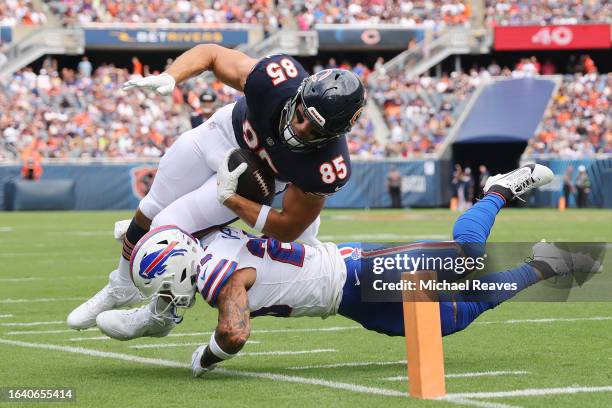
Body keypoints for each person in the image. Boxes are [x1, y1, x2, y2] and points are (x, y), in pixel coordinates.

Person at [95, 164, 596, 378]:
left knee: (466, 255)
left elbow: (234, 333)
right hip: (346, 302)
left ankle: (498, 190)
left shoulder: (217, 276)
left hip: (358, 270)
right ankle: (544, 264)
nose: (170, 295)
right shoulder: (200, 240)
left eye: (166, 287)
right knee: (456, 317)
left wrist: (204, 358)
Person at [66, 44, 367, 331]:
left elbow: (286, 228)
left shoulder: (328, 165)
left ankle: (162, 314)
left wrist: (232, 200)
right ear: (299, 95)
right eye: (301, 116)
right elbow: (210, 54)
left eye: (314, 130)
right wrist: (171, 76)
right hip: (221, 134)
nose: (299, 129)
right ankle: (121, 286)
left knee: (165, 227)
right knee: (151, 206)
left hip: (251, 179)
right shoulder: (276, 79)